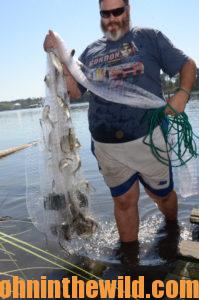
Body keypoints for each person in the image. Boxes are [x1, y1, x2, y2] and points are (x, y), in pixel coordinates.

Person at [44, 0, 197, 244]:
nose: (112, 18)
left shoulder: (149, 38)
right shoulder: (91, 52)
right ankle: (129, 261)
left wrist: (182, 94)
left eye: (118, 11)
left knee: (162, 196)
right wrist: (60, 58)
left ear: (128, 10)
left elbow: (187, 64)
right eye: (106, 13)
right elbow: (74, 93)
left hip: (149, 139)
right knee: (124, 201)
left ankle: (171, 228)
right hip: (107, 147)